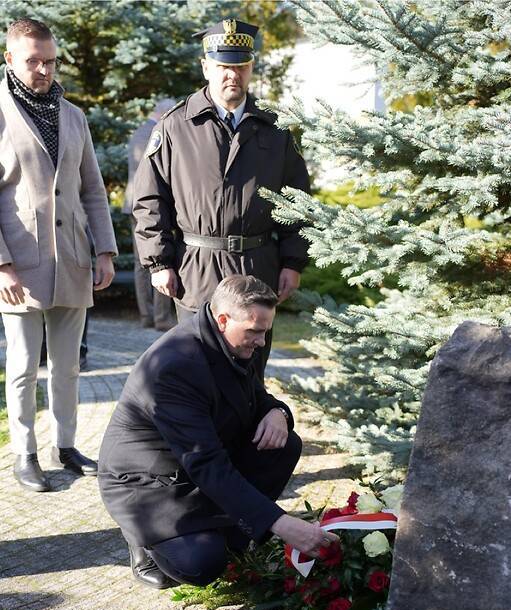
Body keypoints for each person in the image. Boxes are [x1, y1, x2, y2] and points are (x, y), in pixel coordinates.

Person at [98, 275, 336, 590]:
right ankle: (143, 543)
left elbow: (256, 397)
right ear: (223, 320)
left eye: (266, 331)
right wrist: (282, 524)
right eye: (255, 331)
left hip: (199, 464)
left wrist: (278, 413)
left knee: (284, 445)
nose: (262, 341)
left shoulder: (232, 341)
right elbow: (207, 464)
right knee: (203, 564)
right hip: (151, 483)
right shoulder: (174, 366)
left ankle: (228, 531)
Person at [132, 17, 310, 378]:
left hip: (257, 268)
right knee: (197, 374)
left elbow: (298, 200)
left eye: (241, 66)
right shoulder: (176, 126)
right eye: (223, 66)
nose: (233, 75)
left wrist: (293, 262)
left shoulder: (275, 129)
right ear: (206, 68)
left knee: (251, 375)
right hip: (197, 270)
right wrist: (159, 263)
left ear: (251, 68)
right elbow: (150, 199)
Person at [0, 18, 117, 492]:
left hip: (72, 260)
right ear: (10, 59)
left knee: (68, 366)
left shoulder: (73, 116)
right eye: (34, 61)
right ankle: (24, 454)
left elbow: (93, 189)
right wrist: (1, 264)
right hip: (19, 265)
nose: (44, 70)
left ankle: (65, 446)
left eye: (50, 61)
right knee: (23, 367)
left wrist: (104, 250)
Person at [122, 99, 176, 331]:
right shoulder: (157, 132)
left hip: (133, 204)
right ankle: (161, 318)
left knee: (140, 263)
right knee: (161, 257)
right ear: (165, 113)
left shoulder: (138, 132)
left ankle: (146, 315)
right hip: (151, 205)